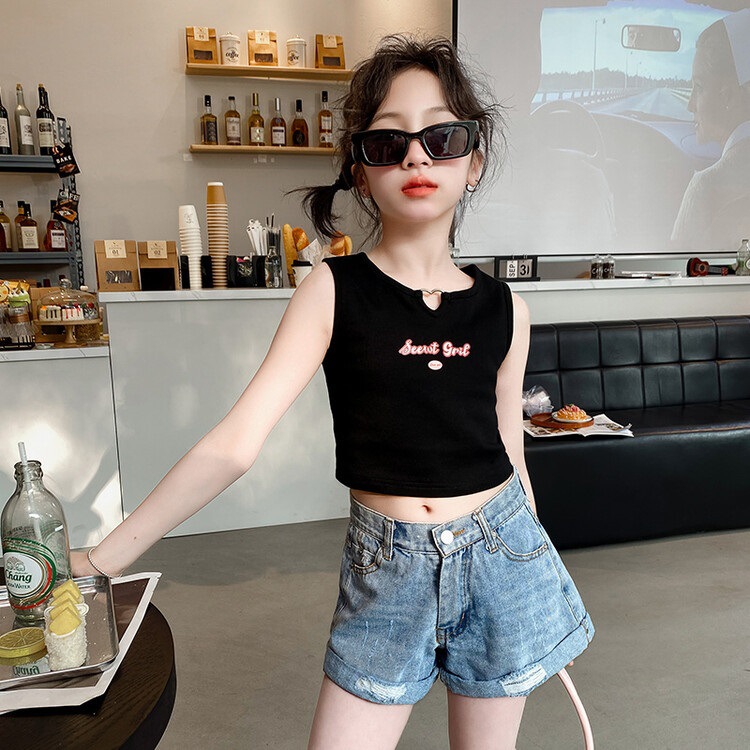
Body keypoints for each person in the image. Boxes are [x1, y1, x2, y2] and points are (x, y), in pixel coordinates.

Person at [73, 35, 594, 750]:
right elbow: (235, 444)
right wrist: (101, 561)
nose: (416, 158)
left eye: (441, 138)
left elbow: (511, 450)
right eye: (388, 143)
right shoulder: (332, 290)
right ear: (361, 171)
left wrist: (540, 585)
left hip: (506, 557)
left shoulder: (509, 309)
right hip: (389, 570)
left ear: (473, 161)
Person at [672, 9, 750, 251]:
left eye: (699, 87)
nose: (690, 104)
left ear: (728, 96)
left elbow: (680, 268)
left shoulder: (706, 186)